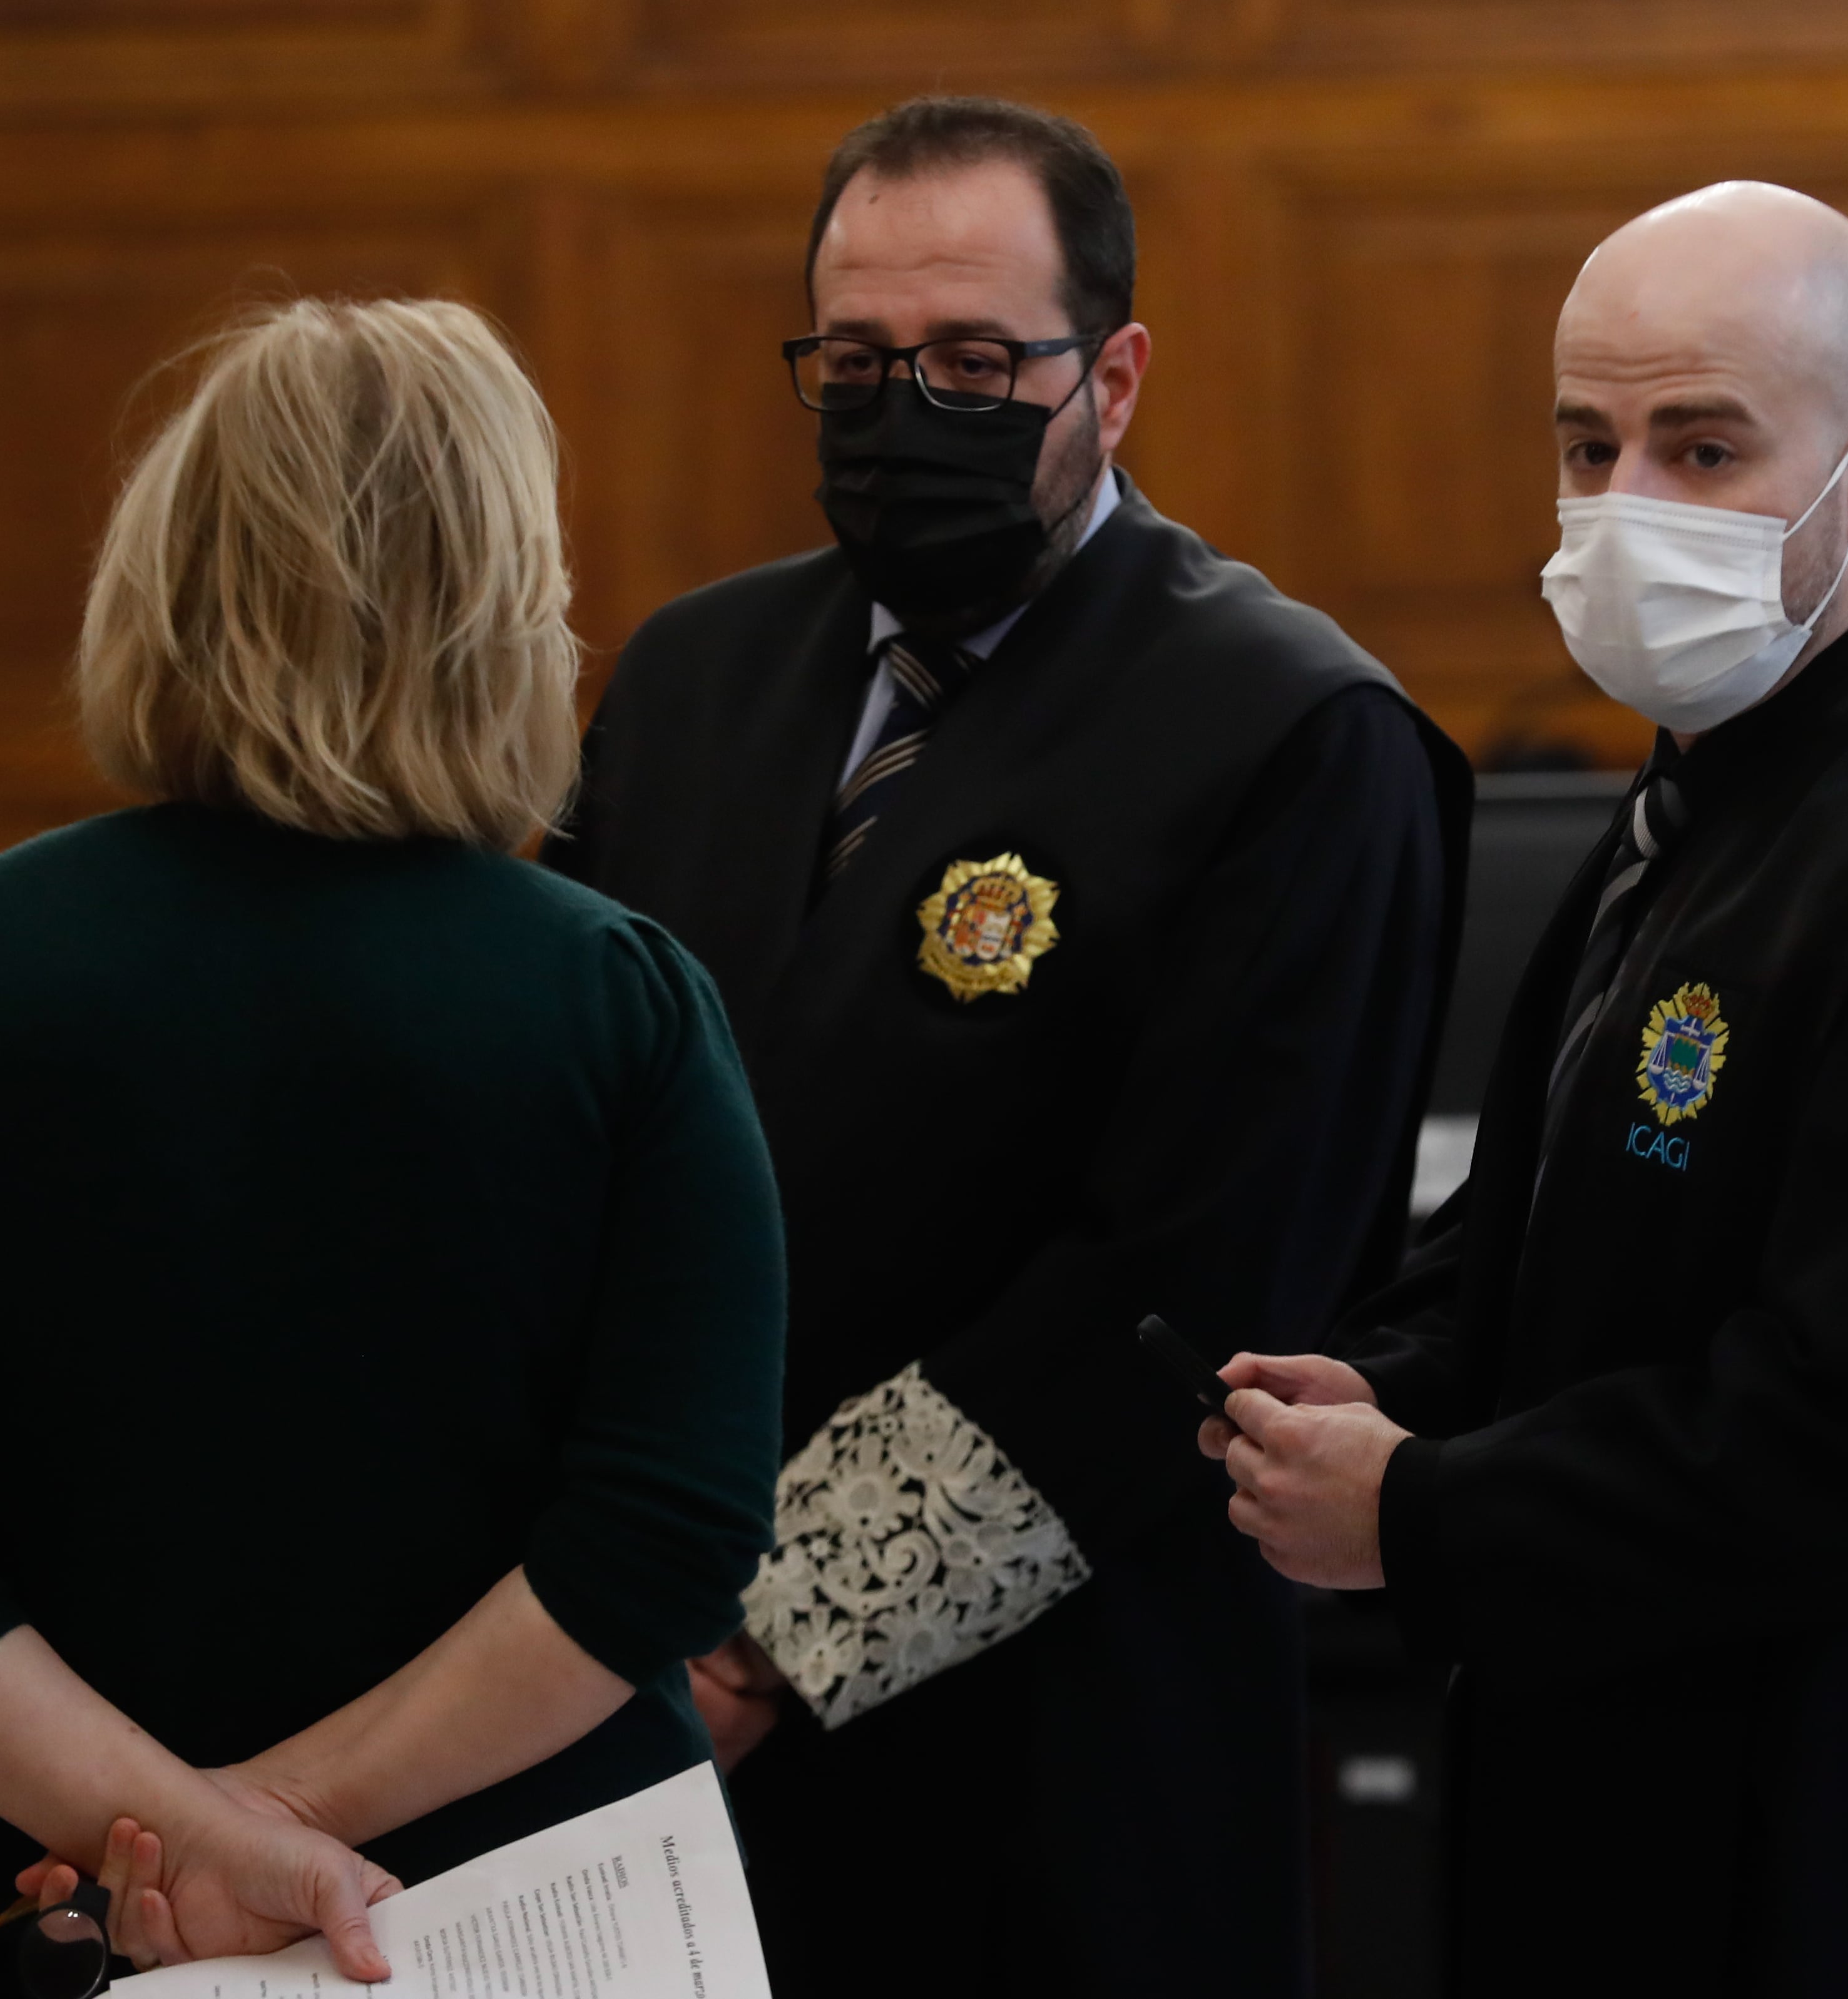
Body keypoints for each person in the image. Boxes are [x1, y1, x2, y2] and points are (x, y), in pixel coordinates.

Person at [1205, 183, 1848, 1995]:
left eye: (1705, 445)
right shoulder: (1682, 814)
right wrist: (1385, 1381)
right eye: (1591, 445)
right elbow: (1554, 1230)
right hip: (1612, 1798)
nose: (1628, 503)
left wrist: (1423, 1512)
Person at [556, 96, 1469, 1999]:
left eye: (979, 363)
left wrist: (761, 1645)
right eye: (859, 364)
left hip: (1062, 1737)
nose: (910, 413)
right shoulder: (687, 679)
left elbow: (1193, 1284)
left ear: (1114, 378)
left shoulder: (1295, 734)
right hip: (638, 1694)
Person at [0, 299, 786, 1991]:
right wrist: (274, 1826)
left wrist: (188, 1832)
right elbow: (667, 1531)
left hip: (72, 1902)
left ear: (162, 576)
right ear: (500, 610)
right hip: (530, 1914)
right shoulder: (622, 1000)